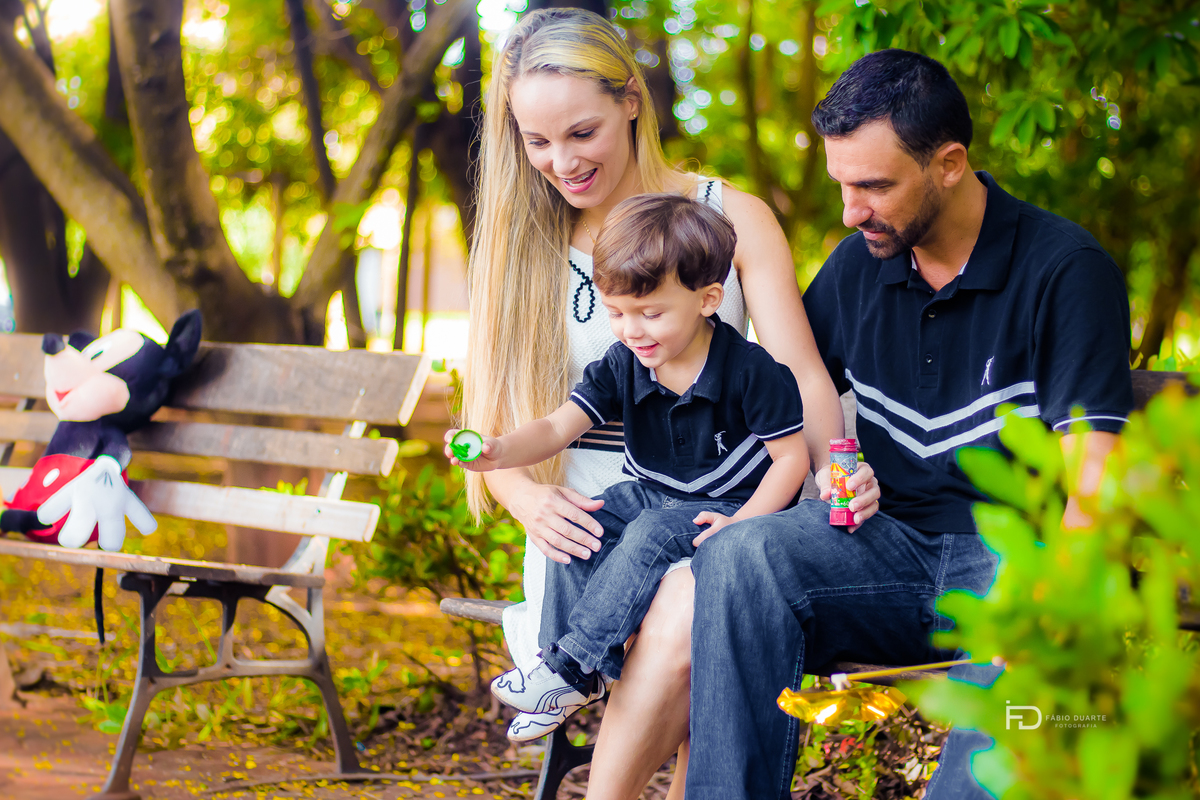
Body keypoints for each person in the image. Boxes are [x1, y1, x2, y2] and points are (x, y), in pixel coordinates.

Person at [685, 49, 1134, 799]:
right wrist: (837, 467)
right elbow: (785, 401)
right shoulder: (856, 266)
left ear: (949, 164)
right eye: (842, 184)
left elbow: (1096, 473)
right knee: (742, 556)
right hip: (883, 551)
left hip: (1017, 563)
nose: (850, 211)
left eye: (873, 186)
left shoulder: (1065, 269)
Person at [459, 8, 879, 797]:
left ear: (630, 100)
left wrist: (836, 475)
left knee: (703, 600)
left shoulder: (732, 216)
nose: (561, 162)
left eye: (582, 132)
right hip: (587, 521)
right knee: (683, 602)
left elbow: (801, 374)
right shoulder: (522, 244)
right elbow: (493, 425)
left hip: (727, 496)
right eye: (537, 141)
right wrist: (523, 499)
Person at [451, 194, 808, 741]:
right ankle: (557, 669)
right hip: (655, 494)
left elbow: (791, 460)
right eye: (616, 313)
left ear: (708, 299)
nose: (631, 331)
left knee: (651, 531)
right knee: (582, 521)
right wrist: (499, 451)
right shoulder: (625, 363)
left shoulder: (750, 371)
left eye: (651, 314)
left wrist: (741, 524)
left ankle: (573, 668)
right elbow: (555, 428)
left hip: (732, 506)